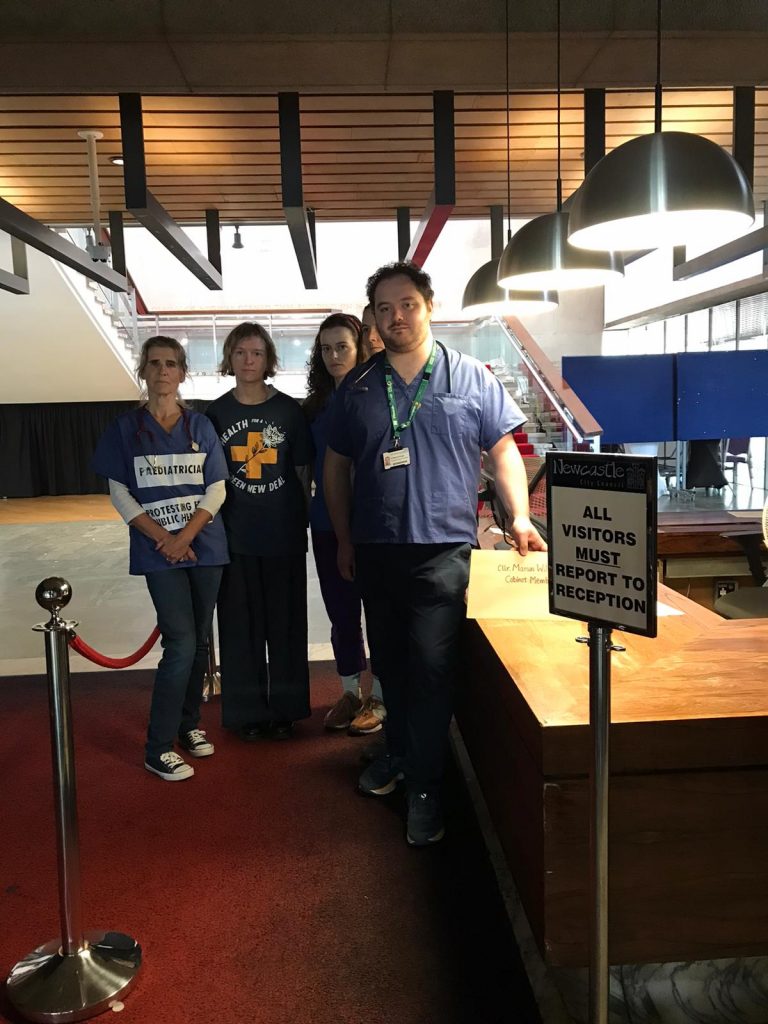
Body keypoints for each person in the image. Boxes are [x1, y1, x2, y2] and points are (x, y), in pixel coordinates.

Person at [324, 262, 546, 846]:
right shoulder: (359, 388)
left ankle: (425, 784)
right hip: (376, 548)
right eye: (383, 309)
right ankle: (400, 753)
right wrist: (345, 537)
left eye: (407, 305)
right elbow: (336, 467)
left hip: (444, 551)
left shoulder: (472, 377)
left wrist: (518, 515)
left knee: (430, 666)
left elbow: (502, 452)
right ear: (373, 318)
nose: (396, 317)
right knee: (392, 663)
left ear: (430, 307)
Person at [92, 335, 229, 781]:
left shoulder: (201, 426)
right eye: (154, 363)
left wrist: (185, 535)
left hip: (204, 547)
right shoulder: (124, 429)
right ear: (144, 372)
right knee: (181, 642)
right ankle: (157, 746)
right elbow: (120, 494)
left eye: (171, 363)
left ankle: (189, 726)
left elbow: (217, 488)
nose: (163, 371)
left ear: (182, 372)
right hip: (159, 551)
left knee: (201, 643)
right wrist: (166, 540)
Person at [206, 322, 312, 741]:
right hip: (234, 539)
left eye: (256, 353)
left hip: (283, 536)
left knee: (286, 629)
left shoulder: (289, 411)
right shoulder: (216, 413)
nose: (248, 361)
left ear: (268, 360)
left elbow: (302, 472)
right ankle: (247, 712)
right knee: (239, 630)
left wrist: (299, 520)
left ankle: (286, 710)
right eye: (240, 353)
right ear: (229, 358)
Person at [304, 312, 385, 736]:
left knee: (380, 614)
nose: (334, 355)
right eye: (326, 348)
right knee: (342, 614)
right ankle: (351, 690)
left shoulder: (378, 396)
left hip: (373, 525)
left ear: (360, 348)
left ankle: (382, 698)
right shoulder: (316, 407)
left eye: (342, 346)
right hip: (325, 524)